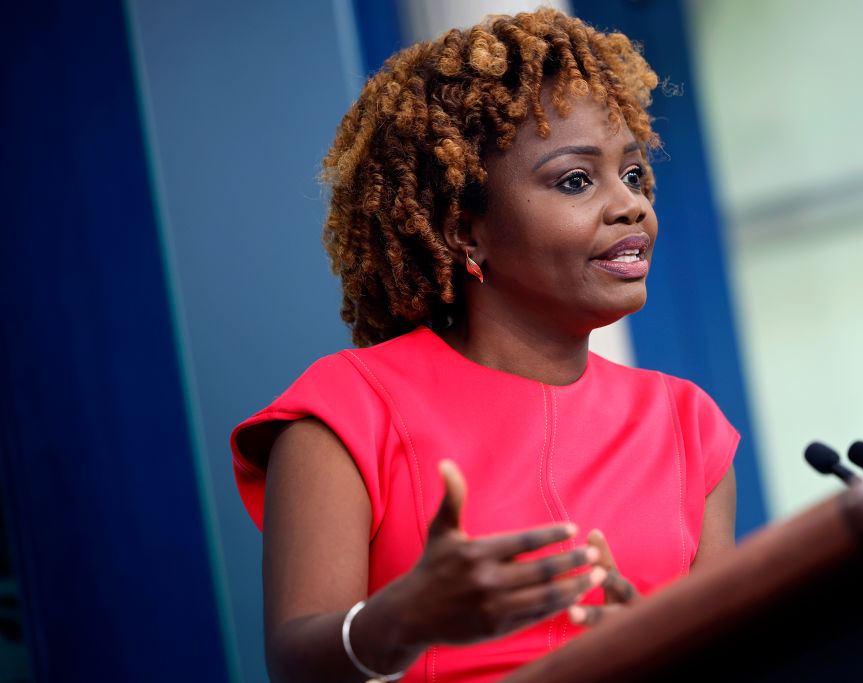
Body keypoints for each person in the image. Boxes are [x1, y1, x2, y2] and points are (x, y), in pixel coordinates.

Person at [231, 8, 738, 682]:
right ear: (465, 230)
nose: (631, 206)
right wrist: (405, 617)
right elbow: (296, 663)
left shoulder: (688, 426)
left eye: (635, 176)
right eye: (576, 180)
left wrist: (653, 644)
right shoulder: (347, 411)